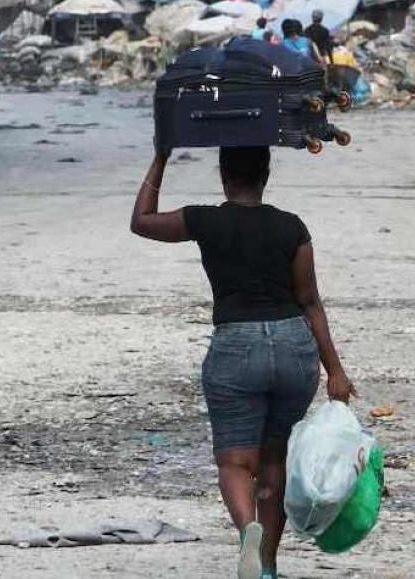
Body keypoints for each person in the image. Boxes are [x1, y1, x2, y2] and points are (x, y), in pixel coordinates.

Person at [130, 145, 356, 579]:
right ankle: (268, 566)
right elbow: (309, 300)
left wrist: (160, 158)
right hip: (294, 347)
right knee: (275, 459)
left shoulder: (205, 219)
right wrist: (336, 371)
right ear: (265, 174)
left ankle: (247, 530)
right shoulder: (291, 227)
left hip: (236, 346)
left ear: (223, 175)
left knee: (236, 462)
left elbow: (142, 222)